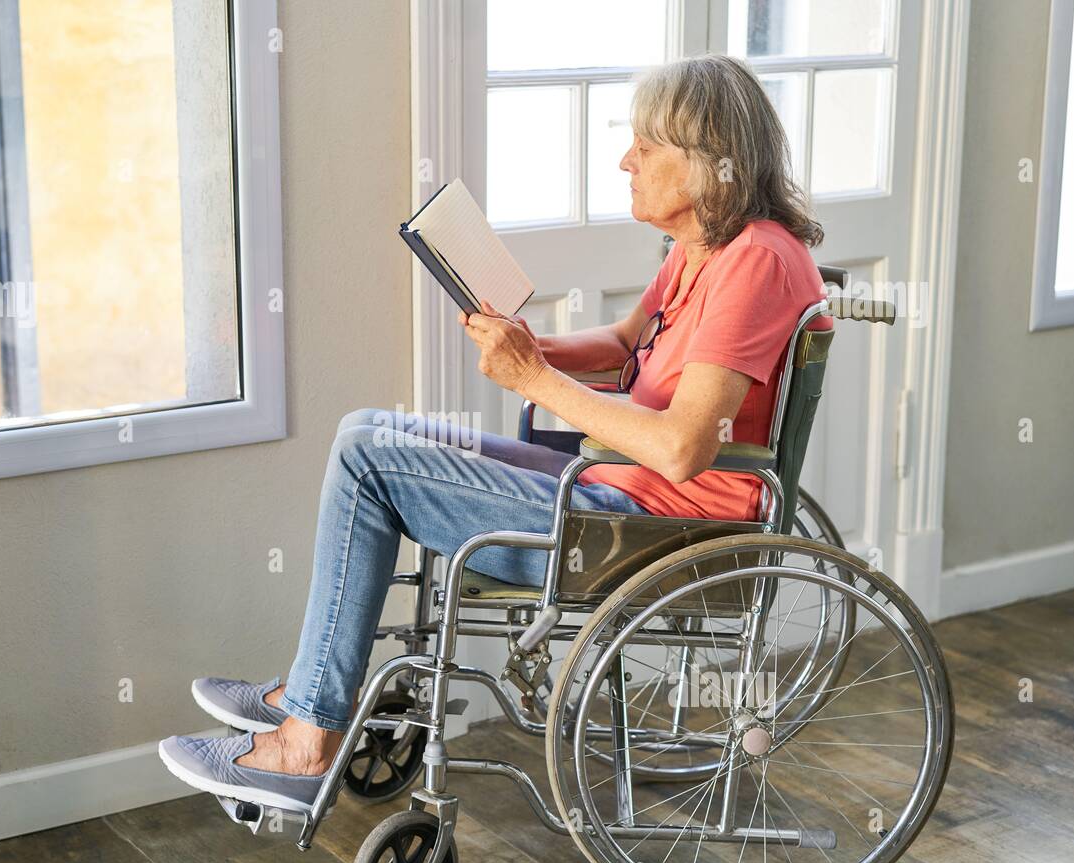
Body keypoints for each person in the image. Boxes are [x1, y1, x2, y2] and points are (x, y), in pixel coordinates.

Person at [158, 54, 830, 811]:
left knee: (367, 461)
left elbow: (682, 446)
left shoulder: (757, 265)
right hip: (608, 487)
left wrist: (534, 381)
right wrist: (529, 347)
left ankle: (306, 736)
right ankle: (313, 691)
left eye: (647, 145)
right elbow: (622, 344)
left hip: (644, 530)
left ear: (710, 162)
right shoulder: (705, 249)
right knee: (366, 429)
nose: (625, 160)